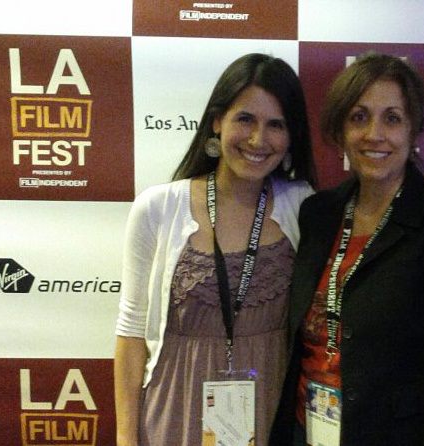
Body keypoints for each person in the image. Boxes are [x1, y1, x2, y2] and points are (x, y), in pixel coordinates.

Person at [114, 53, 316, 446]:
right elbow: (131, 333)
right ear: (217, 121)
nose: (259, 140)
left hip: (273, 413)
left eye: (276, 124)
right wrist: (126, 438)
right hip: (175, 411)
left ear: (291, 136)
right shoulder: (158, 208)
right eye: (245, 119)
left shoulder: (304, 206)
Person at [271, 52, 424, 445]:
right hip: (305, 426)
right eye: (359, 117)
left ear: (413, 130)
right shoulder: (319, 213)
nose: (373, 134)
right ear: (341, 129)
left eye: (392, 118)